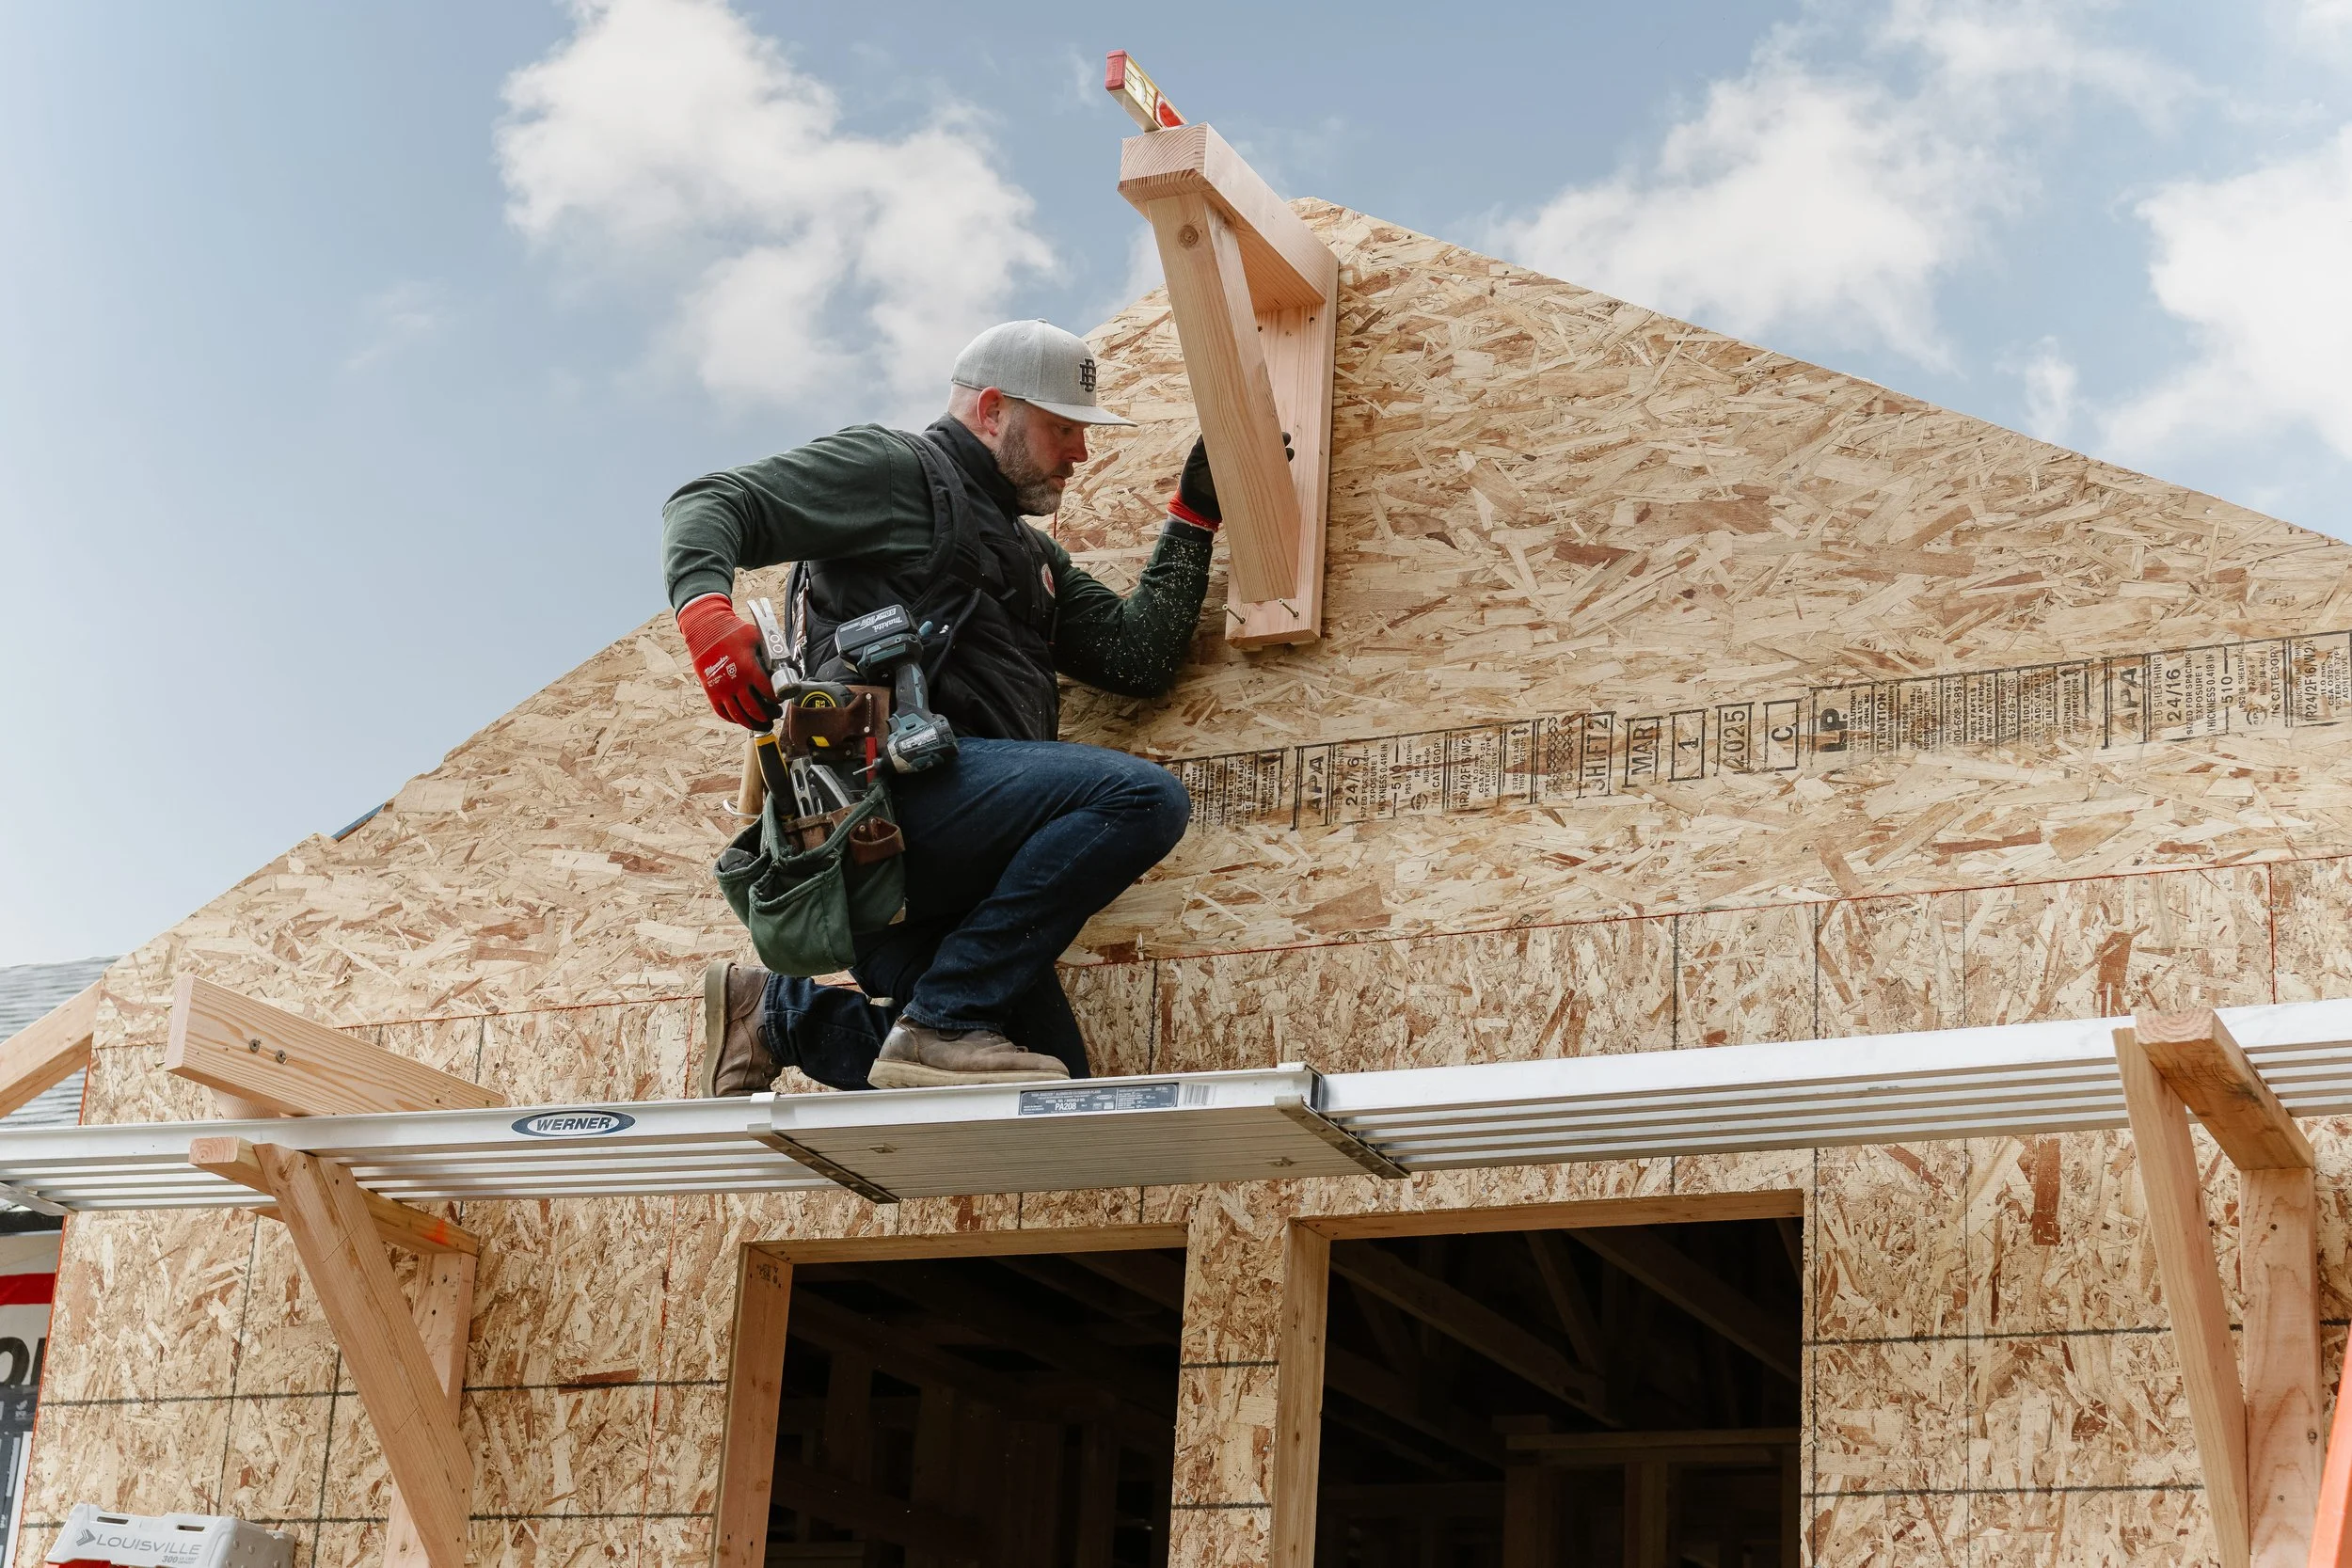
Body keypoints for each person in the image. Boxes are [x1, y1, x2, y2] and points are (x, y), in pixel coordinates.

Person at [664, 319, 1235, 1095]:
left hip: (958, 862)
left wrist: (1194, 515)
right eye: (1064, 428)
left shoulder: (1031, 557)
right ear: (994, 409)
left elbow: (1137, 657)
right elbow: (713, 501)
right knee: (1144, 798)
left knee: (1046, 1085)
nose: (1081, 451)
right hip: (887, 815)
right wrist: (704, 613)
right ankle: (944, 1022)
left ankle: (777, 1017)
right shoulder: (896, 471)